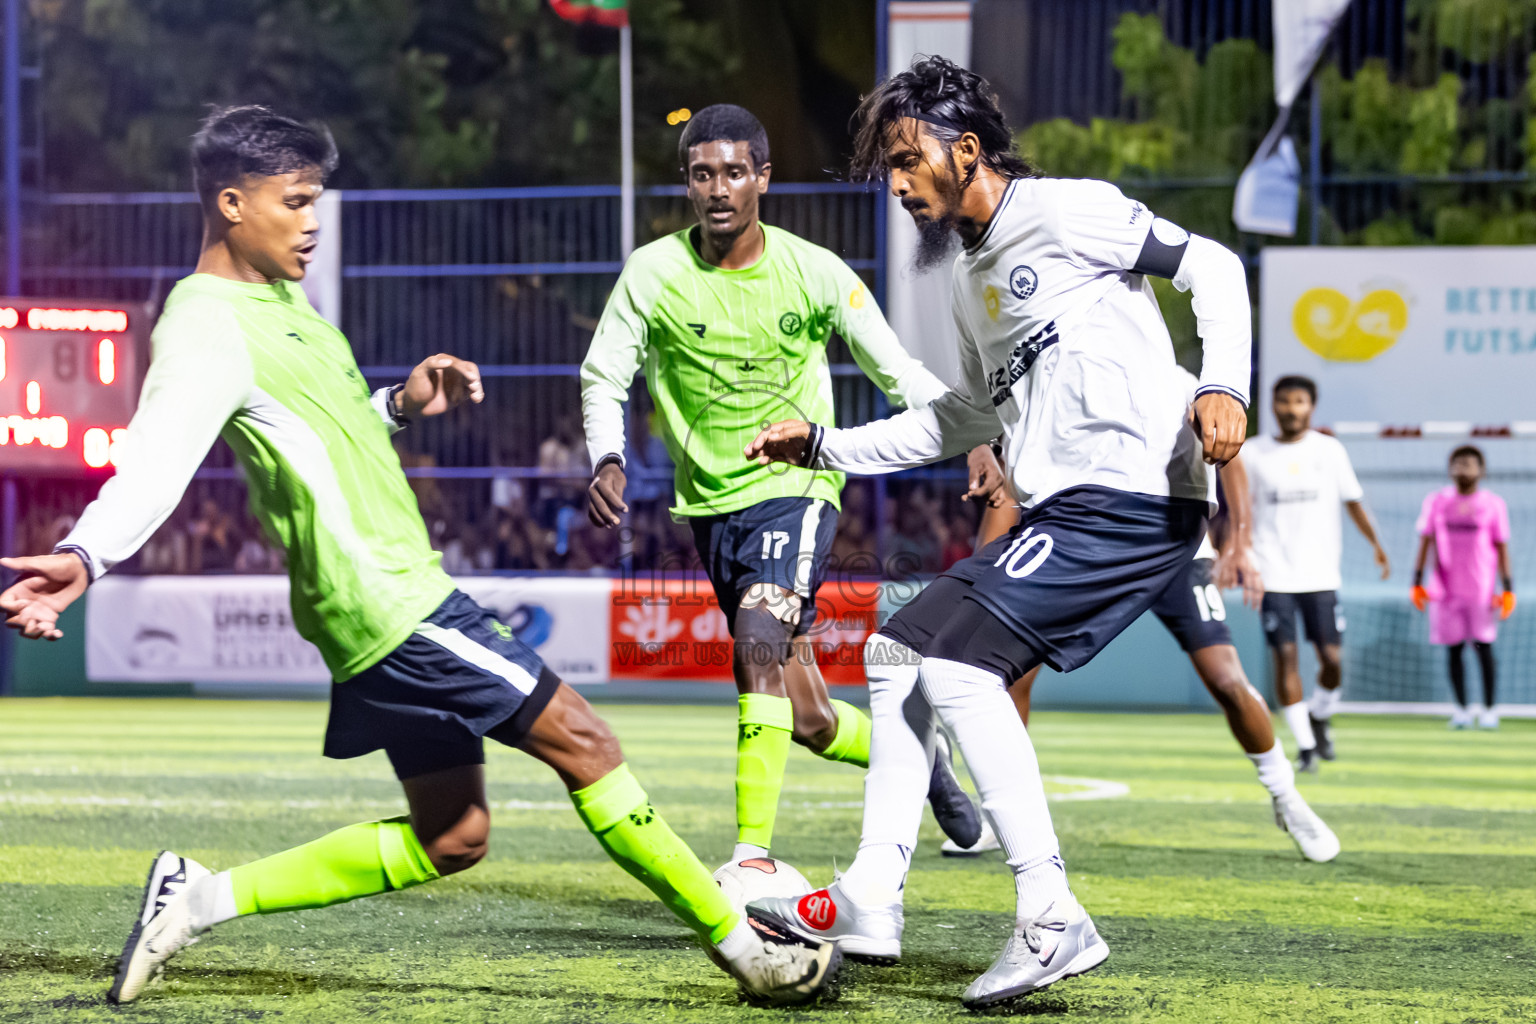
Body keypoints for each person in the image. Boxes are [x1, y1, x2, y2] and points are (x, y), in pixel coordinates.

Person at [0, 106, 837, 1007]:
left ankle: (195, 899)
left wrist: (400, 402)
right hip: (391, 601)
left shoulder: (282, 303)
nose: (313, 222)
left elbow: (321, 425)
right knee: (585, 742)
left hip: (378, 600)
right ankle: (749, 950)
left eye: (318, 200)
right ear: (234, 204)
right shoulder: (205, 322)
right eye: (296, 202)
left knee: (455, 834)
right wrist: (85, 555)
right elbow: (160, 455)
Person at [741, 56, 1252, 1008]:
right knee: (898, 650)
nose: (895, 183)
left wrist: (1223, 382)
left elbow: (1212, 267)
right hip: (1072, 509)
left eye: (905, 159)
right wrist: (825, 443)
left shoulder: (1064, 212)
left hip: (1135, 498)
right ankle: (872, 897)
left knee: (961, 667)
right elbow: (963, 421)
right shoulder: (964, 280)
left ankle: (1051, 916)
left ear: (964, 150)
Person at [579, 103, 978, 867]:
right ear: (687, 184)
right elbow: (605, 375)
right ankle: (925, 763)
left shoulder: (817, 272)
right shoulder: (653, 272)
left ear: (763, 176)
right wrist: (609, 456)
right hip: (710, 507)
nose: (719, 188)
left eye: (734, 171)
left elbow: (899, 373)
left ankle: (751, 859)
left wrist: (974, 437)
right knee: (811, 722)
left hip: (798, 490)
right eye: (703, 174)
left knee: (756, 639)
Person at [944, 432, 1339, 863]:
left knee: (1226, 679)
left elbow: (1231, 457)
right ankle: (1002, 817)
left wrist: (1240, 540)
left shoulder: (1175, 384)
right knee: (1009, 674)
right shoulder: (1045, 392)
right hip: (1085, 548)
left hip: (1175, 545)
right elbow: (1008, 486)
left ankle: (1287, 797)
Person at [1246, 376, 1390, 772]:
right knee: (1285, 657)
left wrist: (1376, 543)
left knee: (1330, 658)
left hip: (1321, 575)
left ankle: (1320, 715)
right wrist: (1233, 552)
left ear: (1311, 406)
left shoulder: (1329, 451)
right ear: (1273, 406)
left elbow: (1353, 501)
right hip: (1272, 573)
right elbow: (1237, 512)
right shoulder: (1252, 453)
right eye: (1284, 401)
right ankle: (1306, 746)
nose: (1291, 409)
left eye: (1299, 401)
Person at [1410, 445, 1515, 729]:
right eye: (1457, 462)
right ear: (1449, 468)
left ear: (1481, 470)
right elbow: (1425, 541)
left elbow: (1502, 547)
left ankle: (1490, 709)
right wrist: (1416, 581)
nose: (1462, 468)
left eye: (1469, 463)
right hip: (1444, 591)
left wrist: (1508, 588)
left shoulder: (1493, 504)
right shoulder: (1436, 502)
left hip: (1481, 591)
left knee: (1484, 649)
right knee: (1453, 651)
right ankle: (1461, 709)